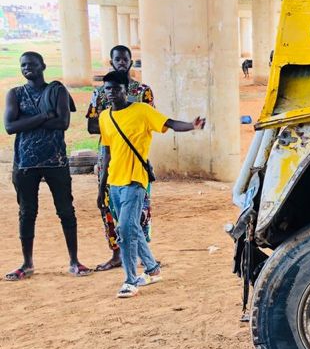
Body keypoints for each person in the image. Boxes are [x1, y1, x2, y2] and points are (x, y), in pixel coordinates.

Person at [97, 70, 205, 298]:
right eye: (108, 89)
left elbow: (170, 123)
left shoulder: (142, 111)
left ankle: (130, 280)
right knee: (132, 228)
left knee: (125, 230)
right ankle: (152, 268)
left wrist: (191, 125)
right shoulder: (105, 117)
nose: (112, 93)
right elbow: (107, 153)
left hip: (136, 181)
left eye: (116, 89)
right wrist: (101, 189)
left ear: (126, 90)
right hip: (114, 183)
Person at [4, 51, 91, 280]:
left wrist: (27, 122)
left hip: (56, 160)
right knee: (26, 212)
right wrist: (43, 117)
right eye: (23, 65)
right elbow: (10, 127)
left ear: (43, 66)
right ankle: (27, 263)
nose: (27, 68)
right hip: (25, 163)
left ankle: (74, 261)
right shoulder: (15, 94)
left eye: (32, 64)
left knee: (66, 211)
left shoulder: (57, 90)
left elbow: (62, 122)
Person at [86, 45, 155, 272]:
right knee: (108, 206)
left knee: (139, 207)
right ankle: (116, 253)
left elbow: (149, 120)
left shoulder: (143, 90)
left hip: (136, 159)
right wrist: (119, 120)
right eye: (118, 59)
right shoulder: (100, 92)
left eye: (126, 59)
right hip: (108, 157)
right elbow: (91, 125)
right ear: (111, 61)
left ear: (131, 61)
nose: (122, 62)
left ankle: (142, 256)